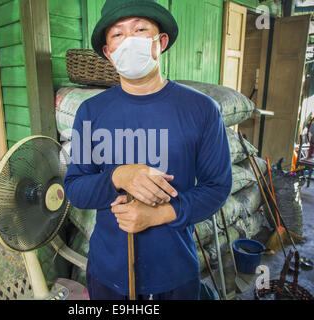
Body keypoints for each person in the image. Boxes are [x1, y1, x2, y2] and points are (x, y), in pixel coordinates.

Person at [64, 0, 232, 300]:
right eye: (117, 35)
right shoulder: (91, 112)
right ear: (108, 52)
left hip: (174, 272)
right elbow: (75, 189)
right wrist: (118, 176)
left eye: (140, 29)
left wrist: (161, 214)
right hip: (108, 272)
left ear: (160, 41)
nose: (128, 41)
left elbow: (217, 187)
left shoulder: (201, 110)